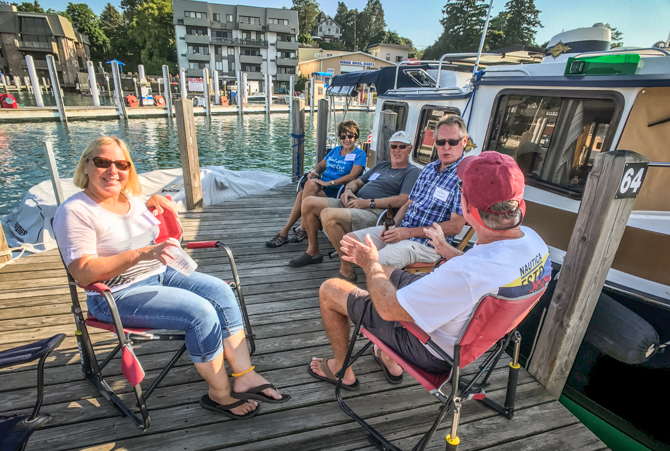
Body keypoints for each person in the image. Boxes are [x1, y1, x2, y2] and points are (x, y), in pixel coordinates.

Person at [53, 136, 290, 420]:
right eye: (103, 162)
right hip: (116, 295)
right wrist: (142, 253)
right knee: (200, 313)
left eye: (121, 164)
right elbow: (82, 271)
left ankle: (245, 375)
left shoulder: (131, 198)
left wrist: (157, 207)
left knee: (221, 292)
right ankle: (220, 393)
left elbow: (159, 236)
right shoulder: (75, 211)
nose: (113, 170)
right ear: (86, 166)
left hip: (160, 273)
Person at [307, 151, 551, 389]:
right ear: (521, 206)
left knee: (331, 289)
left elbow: (388, 309)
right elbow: (484, 271)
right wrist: (448, 252)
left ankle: (341, 369)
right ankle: (386, 355)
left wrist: (370, 264)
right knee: (388, 270)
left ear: (467, 208)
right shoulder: (533, 242)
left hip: (428, 349)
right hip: (469, 340)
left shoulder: (465, 273)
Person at [339, 115, 469, 281]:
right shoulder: (429, 168)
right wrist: (392, 226)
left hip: (428, 244)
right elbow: (409, 202)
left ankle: (384, 298)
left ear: (464, 141)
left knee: (376, 262)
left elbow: (455, 227)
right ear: (434, 142)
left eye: (452, 142)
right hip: (403, 231)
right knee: (348, 242)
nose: (446, 147)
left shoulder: (464, 176)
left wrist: (407, 233)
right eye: (441, 142)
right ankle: (384, 285)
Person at [289, 131, 421, 278]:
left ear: (410, 149)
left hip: (375, 211)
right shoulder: (382, 166)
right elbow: (357, 181)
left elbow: (404, 199)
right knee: (308, 202)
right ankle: (313, 251)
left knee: (328, 215)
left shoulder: (411, 171)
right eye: (394, 146)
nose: (397, 150)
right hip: (354, 202)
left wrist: (368, 203)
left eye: (402, 147)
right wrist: (348, 190)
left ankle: (347, 270)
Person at [266, 120, 367, 247]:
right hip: (323, 185)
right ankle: (293, 231)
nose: (346, 139)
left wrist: (329, 183)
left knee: (303, 193)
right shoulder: (335, 150)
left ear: (356, 137)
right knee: (306, 188)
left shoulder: (359, 154)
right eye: (343, 136)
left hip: (338, 190)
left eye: (350, 136)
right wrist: (314, 171)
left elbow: (352, 176)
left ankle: (292, 231)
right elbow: (320, 165)